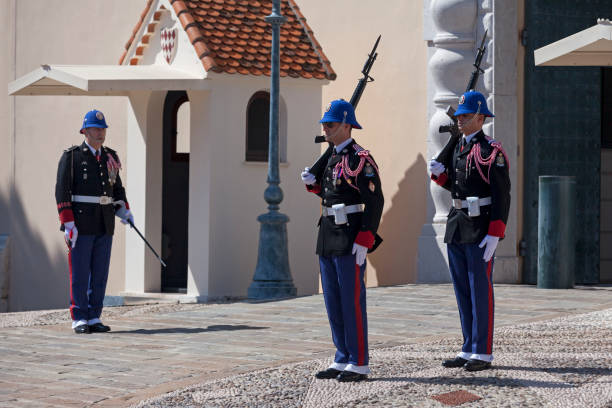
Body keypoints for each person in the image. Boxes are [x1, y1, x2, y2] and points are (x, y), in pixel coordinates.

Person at [301, 99, 384, 382]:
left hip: (350, 235)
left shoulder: (360, 159)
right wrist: (312, 183)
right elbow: (329, 192)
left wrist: (365, 237)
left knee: (351, 300)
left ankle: (359, 361)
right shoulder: (332, 157)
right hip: (327, 233)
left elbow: (375, 201)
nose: (325, 128)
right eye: (324, 123)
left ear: (347, 126)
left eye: (331, 124)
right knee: (333, 301)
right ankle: (342, 356)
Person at [428, 91, 511, 371]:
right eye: (459, 116)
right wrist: (440, 175)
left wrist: (495, 232)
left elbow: (502, 195)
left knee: (479, 290)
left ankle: (482, 352)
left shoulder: (491, 151)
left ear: (481, 118)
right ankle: (467, 347)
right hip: (458, 224)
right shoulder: (458, 148)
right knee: (463, 291)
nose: (460, 120)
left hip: (480, 228)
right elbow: (457, 187)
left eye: (465, 116)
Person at [55, 109, 133, 334]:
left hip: (104, 221)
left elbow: (116, 187)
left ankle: (94, 316)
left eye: (103, 129)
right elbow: (62, 191)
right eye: (96, 129)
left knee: (100, 272)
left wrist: (124, 209)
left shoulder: (110, 156)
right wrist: (68, 223)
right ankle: (79, 317)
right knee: (80, 272)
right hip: (80, 222)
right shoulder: (72, 157)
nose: (100, 133)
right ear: (85, 131)